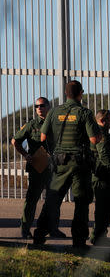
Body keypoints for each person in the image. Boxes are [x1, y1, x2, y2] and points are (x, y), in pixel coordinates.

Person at [33, 80, 102, 248]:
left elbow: (42, 137)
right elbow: (94, 139)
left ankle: (39, 235)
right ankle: (78, 241)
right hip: (80, 164)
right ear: (81, 93)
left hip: (59, 162)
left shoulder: (54, 111)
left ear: (65, 93)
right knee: (81, 201)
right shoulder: (84, 113)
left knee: (52, 199)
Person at [12, 97, 65, 239]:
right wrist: (25, 155)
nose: (39, 108)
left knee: (53, 199)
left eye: (42, 105)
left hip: (53, 167)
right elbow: (15, 141)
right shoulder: (32, 125)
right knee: (32, 199)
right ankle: (25, 229)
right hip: (37, 167)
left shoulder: (56, 123)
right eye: (36, 106)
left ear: (48, 106)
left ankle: (53, 229)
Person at [89, 110, 110, 246]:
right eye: (109, 120)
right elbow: (105, 157)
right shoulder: (102, 135)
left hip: (99, 175)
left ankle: (98, 236)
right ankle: (99, 237)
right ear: (102, 121)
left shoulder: (101, 134)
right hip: (103, 176)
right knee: (105, 209)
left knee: (103, 208)